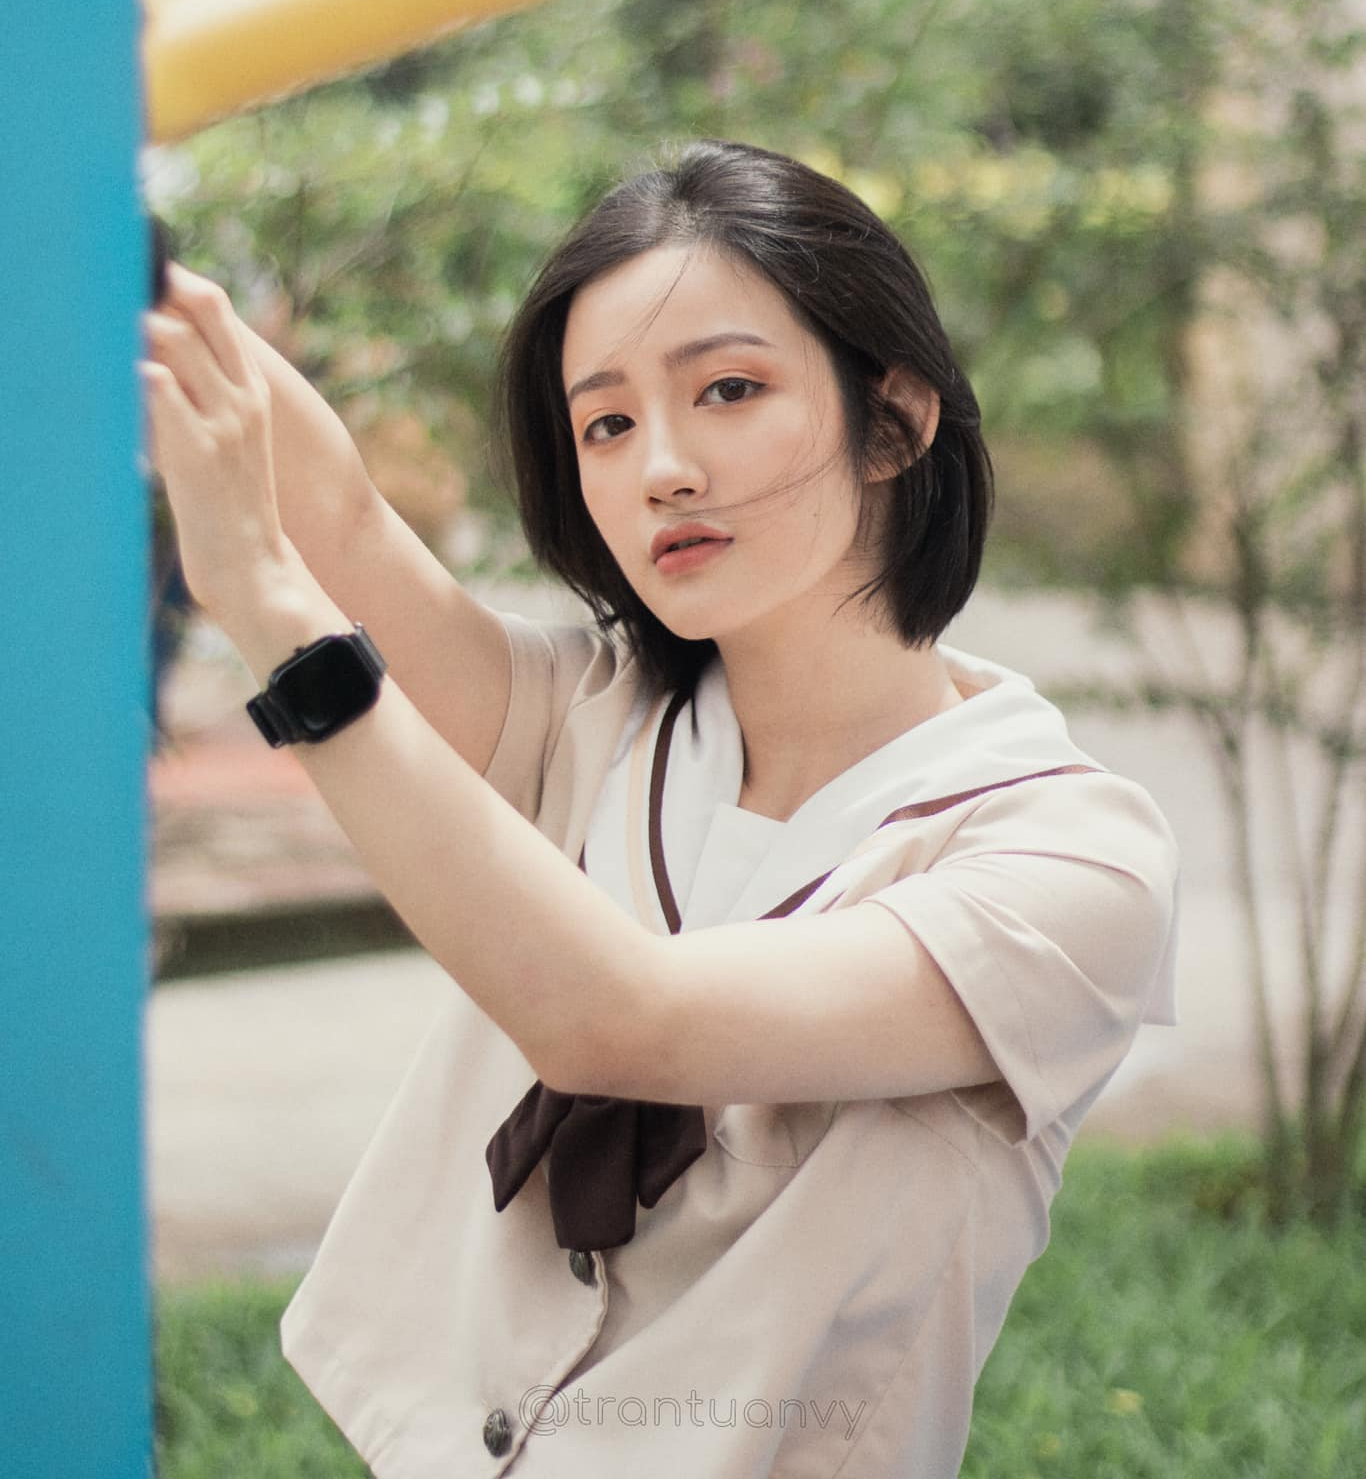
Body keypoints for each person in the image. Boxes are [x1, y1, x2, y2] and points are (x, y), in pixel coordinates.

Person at [142, 138, 1178, 1479]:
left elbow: (624, 1023)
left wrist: (278, 624)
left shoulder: (1064, 862)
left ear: (895, 419)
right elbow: (336, 508)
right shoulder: (596, 717)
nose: (661, 469)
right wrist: (110, 241)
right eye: (606, 423)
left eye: (728, 390)